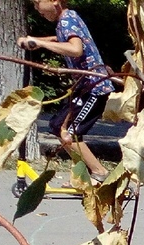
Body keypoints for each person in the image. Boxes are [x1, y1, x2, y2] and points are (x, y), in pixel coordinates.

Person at [17, 0, 116, 183]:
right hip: (84, 87)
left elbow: (75, 49)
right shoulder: (68, 18)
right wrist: (38, 41)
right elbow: (62, 39)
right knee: (57, 125)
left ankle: (100, 173)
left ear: (55, 1)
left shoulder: (66, 20)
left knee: (70, 133)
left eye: (38, 2)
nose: (37, 9)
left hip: (94, 88)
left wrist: (40, 42)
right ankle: (85, 175)